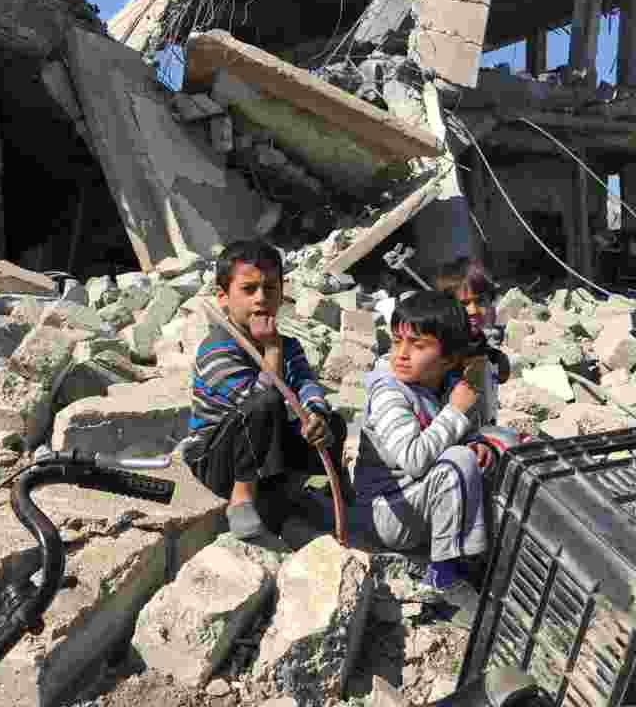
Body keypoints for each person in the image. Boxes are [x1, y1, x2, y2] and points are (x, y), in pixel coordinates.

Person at [183, 239, 348, 540]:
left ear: (282, 294)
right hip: (218, 459)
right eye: (248, 290)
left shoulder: (290, 345)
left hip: (265, 449)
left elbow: (306, 383)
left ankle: (288, 489)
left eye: (270, 288)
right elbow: (256, 398)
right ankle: (242, 498)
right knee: (266, 401)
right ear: (223, 297)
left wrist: (315, 415)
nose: (261, 298)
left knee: (333, 423)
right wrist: (271, 349)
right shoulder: (216, 349)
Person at [354, 290, 494, 628]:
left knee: (498, 444)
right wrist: (456, 413)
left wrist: (476, 441)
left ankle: (480, 554)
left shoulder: (444, 384)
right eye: (396, 341)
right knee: (458, 462)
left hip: (418, 503)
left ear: (448, 359)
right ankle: (444, 576)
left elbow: (461, 430)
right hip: (389, 512)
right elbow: (414, 459)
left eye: (418, 346)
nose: (402, 354)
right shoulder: (389, 392)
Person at [434, 257, 511, 426]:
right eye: (463, 304)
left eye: (480, 301)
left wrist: (495, 358)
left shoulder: (482, 347)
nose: (473, 310)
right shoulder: (437, 354)